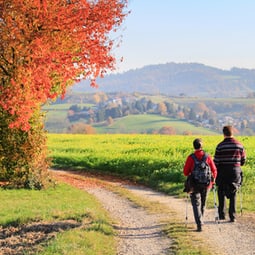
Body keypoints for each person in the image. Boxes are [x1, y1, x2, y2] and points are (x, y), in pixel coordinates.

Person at [183, 138, 217, 232]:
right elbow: (214, 170)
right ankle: (201, 219)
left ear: (194, 146)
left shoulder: (191, 157)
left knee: (196, 204)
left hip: (194, 185)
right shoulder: (208, 157)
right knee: (203, 203)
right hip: (207, 184)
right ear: (202, 146)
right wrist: (213, 181)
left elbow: (185, 172)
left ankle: (199, 224)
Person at [214, 125, 246, 222]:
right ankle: (232, 216)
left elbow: (216, 162)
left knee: (221, 191)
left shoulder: (220, 146)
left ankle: (221, 214)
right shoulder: (239, 145)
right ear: (233, 132)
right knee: (233, 192)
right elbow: (243, 161)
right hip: (235, 171)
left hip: (223, 171)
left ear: (224, 134)